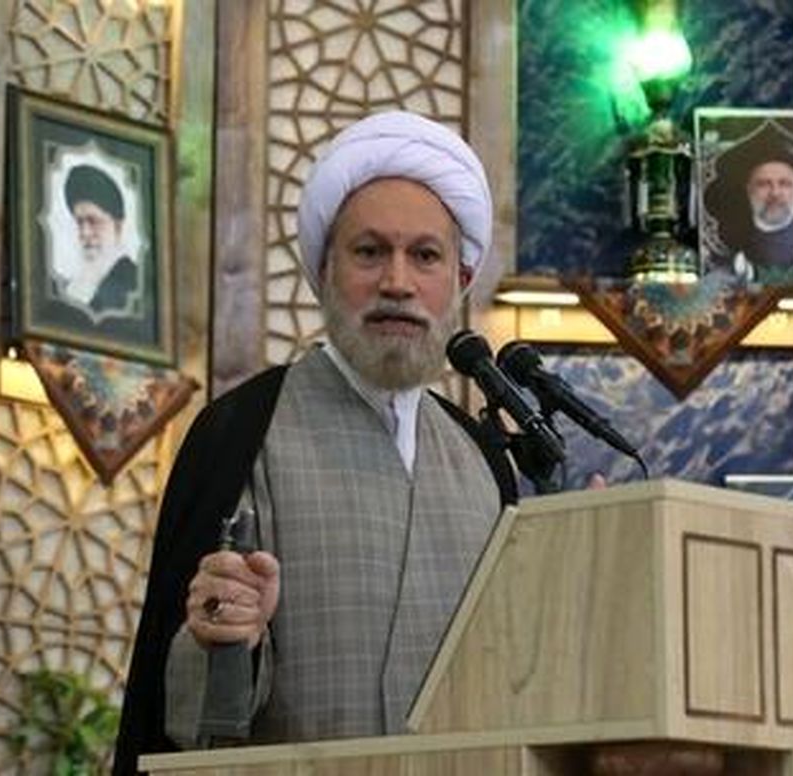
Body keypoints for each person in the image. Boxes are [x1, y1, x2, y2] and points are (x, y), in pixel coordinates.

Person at [113, 111, 518, 774]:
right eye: (369, 252)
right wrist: (226, 639)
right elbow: (187, 722)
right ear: (325, 270)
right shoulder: (242, 431)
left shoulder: (482, 457)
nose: (397, 281)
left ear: (461, 281)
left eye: (425, 255)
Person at [722, 141, 793, 285]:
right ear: (749, 190)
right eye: (764, 184)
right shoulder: (729, 236)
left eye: (784, 184)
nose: (775, 193)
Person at [58, 164, 139, 315]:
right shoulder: (70, 286)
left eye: (94, 221)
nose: (85, 233)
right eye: (79, 222)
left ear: (118, 227)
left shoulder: (134, 283)